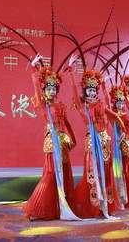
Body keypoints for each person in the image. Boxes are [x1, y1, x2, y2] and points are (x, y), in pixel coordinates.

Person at [22, 54, 78, 221]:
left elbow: (67, 124)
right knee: (50, 174)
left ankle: (60, 208)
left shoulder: (61, 106)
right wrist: (33, 68)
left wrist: (73, 139)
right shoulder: (43, 105)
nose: (52, 91)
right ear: (45, 90)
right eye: (49, 88)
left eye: (54, 88)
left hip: (63, 144)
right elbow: (36, 89)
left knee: (64, 174)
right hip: (51, 143)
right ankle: (33, 208)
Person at [68, 55, 125, 219]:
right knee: (93, 172)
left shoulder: (101, 105)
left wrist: (122, 131)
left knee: (106, 173)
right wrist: (71, 70)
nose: (92, 93)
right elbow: (72, 88)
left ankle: (106, 206)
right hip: (92, 143)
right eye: (89, 90)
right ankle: (92, 206)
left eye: (94, 90)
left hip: (105, 142)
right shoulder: (82, 107)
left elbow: (116, 116)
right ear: (84, 91)